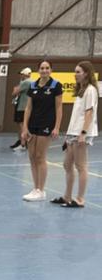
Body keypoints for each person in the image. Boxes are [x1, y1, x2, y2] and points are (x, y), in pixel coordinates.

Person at [52, 60, 98, 208]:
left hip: (81, 133)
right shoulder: (80, 90)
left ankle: (80, 199)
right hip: (73, 132)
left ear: (86, 73)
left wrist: (83, 133)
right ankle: (67, 196)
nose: (75, 74)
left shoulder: (90, 90)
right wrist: (68, 135)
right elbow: (76, 115)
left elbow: (89, 113)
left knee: (81, 166)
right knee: (67, 164)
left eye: (78, 72)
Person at [20, 59, 63, 201]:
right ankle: (35, 188)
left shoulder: (56, 86)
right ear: (38, 70)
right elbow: (28, 107)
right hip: (33, 124)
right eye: (42, 68)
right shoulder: (32, 85)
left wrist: (56, 127)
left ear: (51, 70)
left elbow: (58, 107)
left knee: (40, 156)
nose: (44, 70)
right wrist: (25, 127)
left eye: (47, 68)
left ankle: (41, 190)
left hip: (47, 124)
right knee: (32, 156)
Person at [10, 67, 32, 150]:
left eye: (21, 74)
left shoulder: (25, 82)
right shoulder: (30, 82)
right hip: (25, 106)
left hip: (22, 107)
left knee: (22, 125)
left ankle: (23, 143)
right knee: (23, 125)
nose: (20, 76)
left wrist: (16, 89)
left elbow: (14, 92)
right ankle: (21, 141)